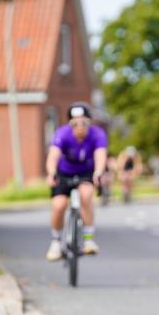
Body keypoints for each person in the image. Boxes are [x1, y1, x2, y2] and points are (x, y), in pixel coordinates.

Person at [45, 102, 108, 260]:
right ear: (70, 123)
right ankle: (56, 241)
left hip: (86, 172)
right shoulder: (62, 133)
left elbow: (100, 155)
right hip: (64, 173)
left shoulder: (97, 134)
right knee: (59, 205)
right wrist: (52, 173)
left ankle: (88, 239)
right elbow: (53, 156)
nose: (80, 127)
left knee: (86, 195)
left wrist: (98, 172)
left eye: (84, 123)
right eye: (75, 123)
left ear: (89, 122)